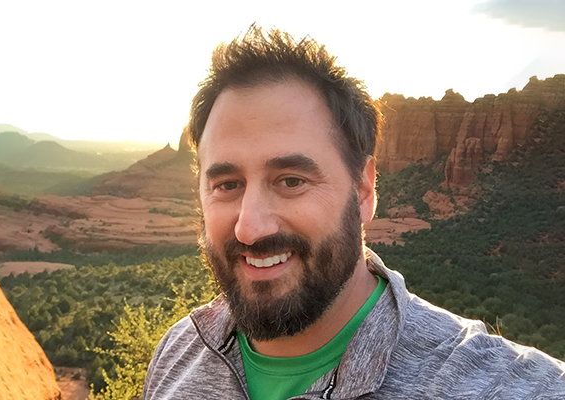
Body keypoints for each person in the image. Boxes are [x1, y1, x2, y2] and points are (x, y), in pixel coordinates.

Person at [142, 26, 565, 400]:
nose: (250, 227)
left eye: (291, 180)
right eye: (227, 185)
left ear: (364, 189)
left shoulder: (490, 383)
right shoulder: (179, 353)